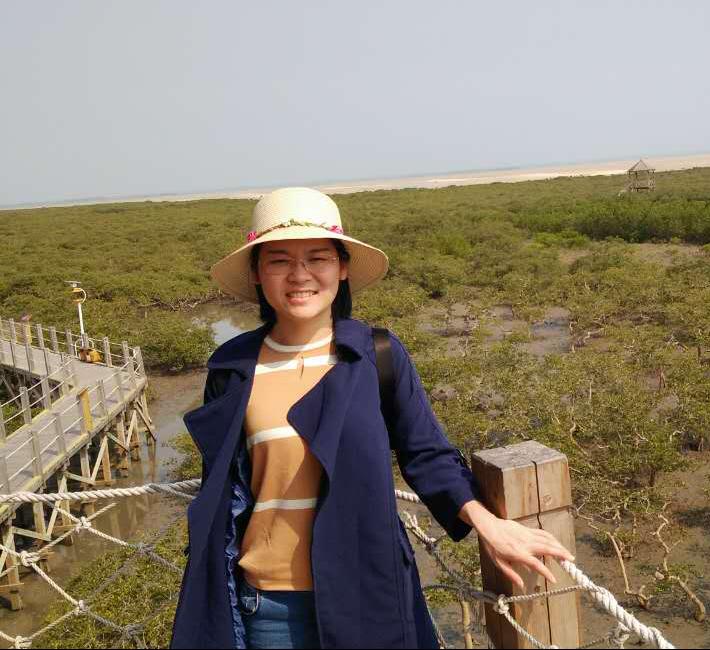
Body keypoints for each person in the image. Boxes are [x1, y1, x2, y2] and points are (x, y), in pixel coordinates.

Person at [170, 187, 574, 649]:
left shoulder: (375, 354)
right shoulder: (233, 367)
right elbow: (223, 487)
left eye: (317, 258)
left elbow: (426, 454)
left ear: (341, 268)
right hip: (267, 606)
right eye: (279, 261)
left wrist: (489, 525)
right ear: (258, 273)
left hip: (369, 591)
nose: (299, 275)